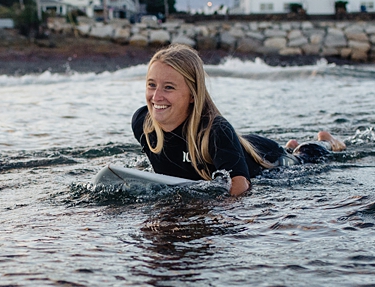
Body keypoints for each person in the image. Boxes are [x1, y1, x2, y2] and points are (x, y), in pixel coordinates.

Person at [134, 44, 344, 196]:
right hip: (238, 146)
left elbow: (240, 187)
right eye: (151, 85)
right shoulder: (142, 123)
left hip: (268, 161)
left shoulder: (214, 131)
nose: (156, 96)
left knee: (301, 158)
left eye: (168, 87)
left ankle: (325, 141)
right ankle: (291, 146)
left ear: (192, 95)